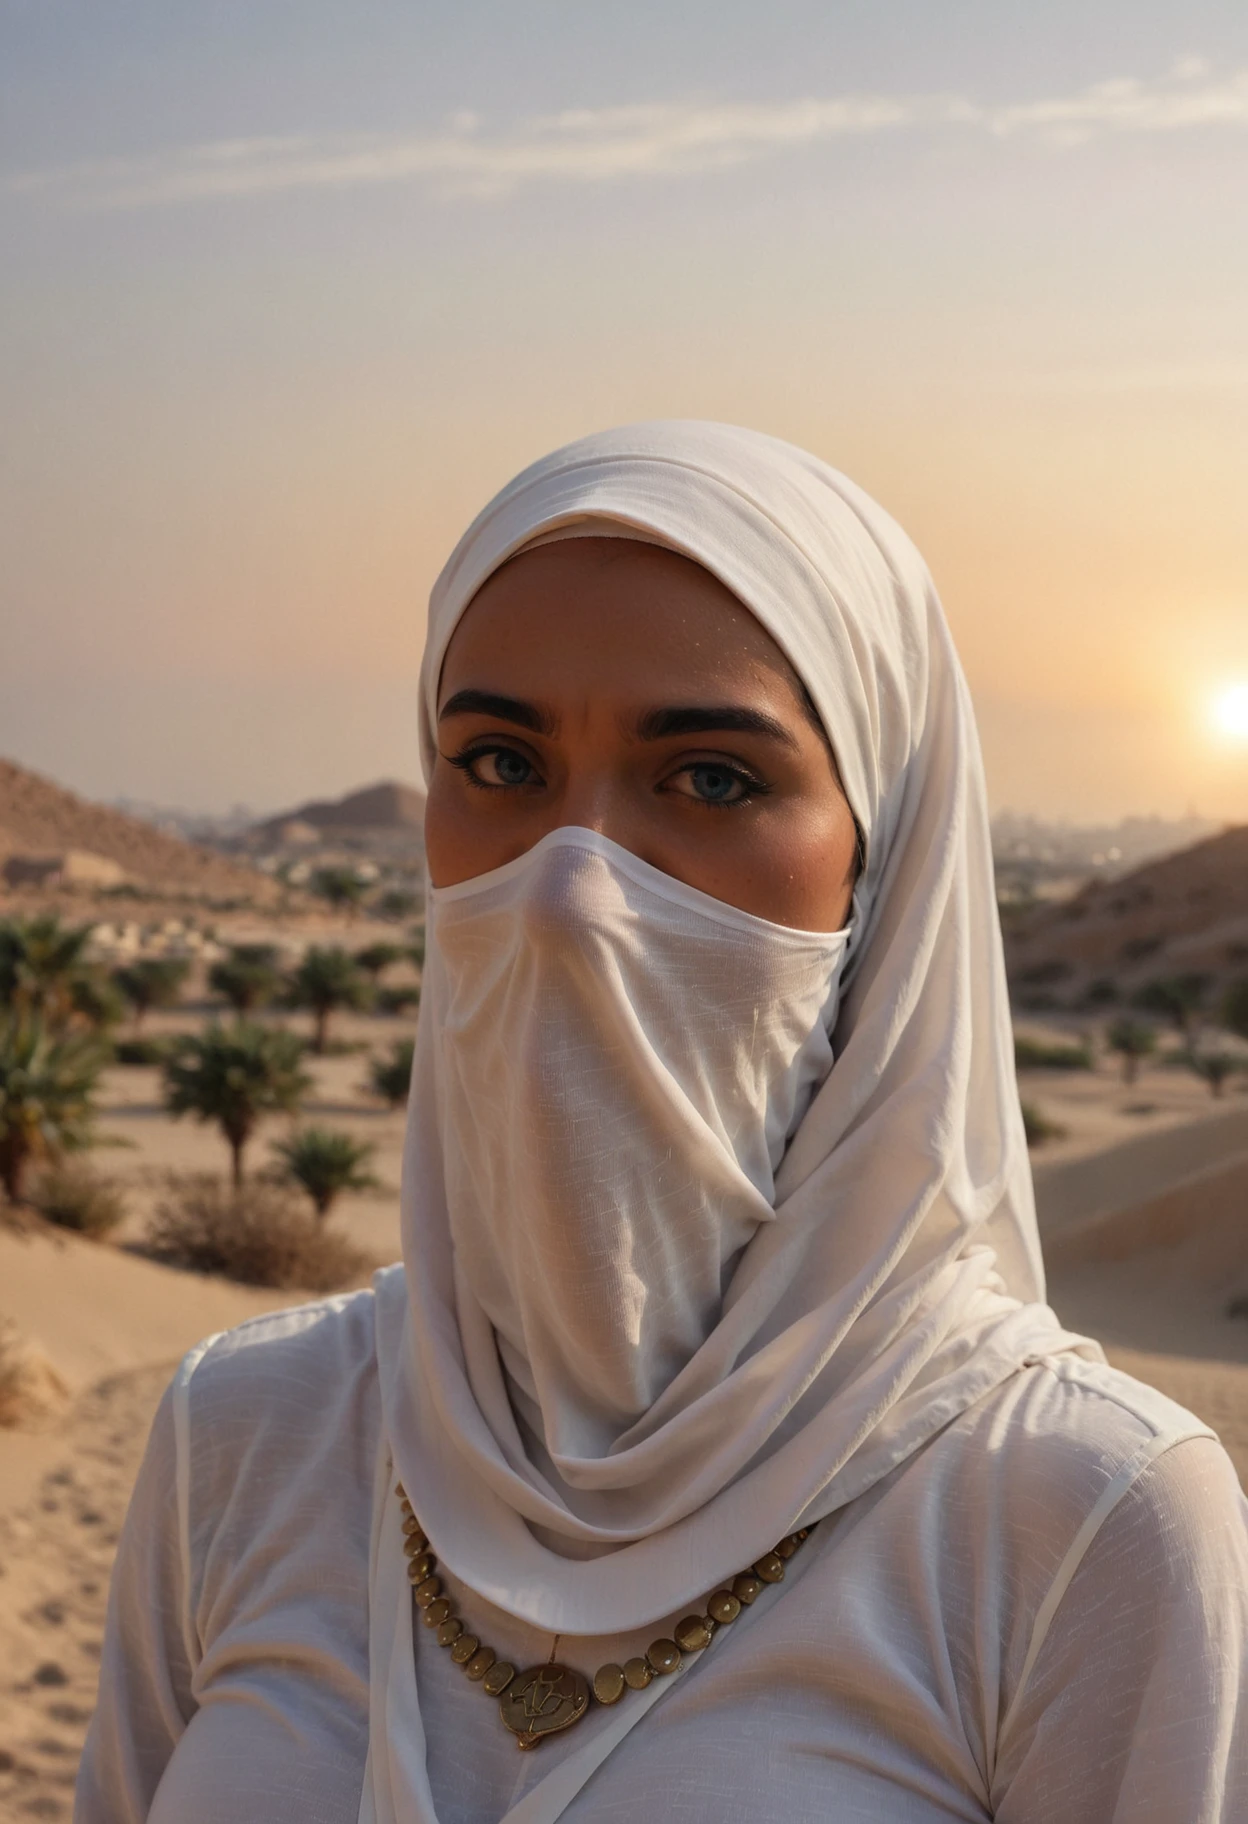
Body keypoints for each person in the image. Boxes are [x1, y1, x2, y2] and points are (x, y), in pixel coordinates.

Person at [77, 423, 1247, 1824]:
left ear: (884, 868)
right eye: (502, 765)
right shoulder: (248, 1430)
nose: (572, 886)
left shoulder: (1077, 1523)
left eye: (711, 779)